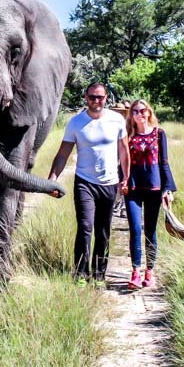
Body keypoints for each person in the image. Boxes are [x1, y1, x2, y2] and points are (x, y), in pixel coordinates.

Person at [48, 82, 130, 283]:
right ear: (86, 97)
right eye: (92, 97)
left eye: (100, 97)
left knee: (103, 231)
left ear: (106, 98)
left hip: (109, 183)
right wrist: (52, 179)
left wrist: (126, 178)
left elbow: (124, 152)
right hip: (85, 182)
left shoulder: (117, 120)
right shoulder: (76, 123)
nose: (96, 101)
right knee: (85, 227)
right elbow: (62, 155)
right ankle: (81, 274)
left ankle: (99, 274)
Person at [123, 99, 176, 290]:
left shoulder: (159, 134)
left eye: (143, 110)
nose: (139, 114)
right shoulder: (128, 136)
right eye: (135, 111)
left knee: (150, 231)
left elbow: (164, 162)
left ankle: (150, 271)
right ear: (131, 115)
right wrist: (122, 181)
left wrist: (168, 188)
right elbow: (122, 162)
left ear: (149, 112)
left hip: (154, 188)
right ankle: (135, 271)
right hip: (133, 189)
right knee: (135, 229)